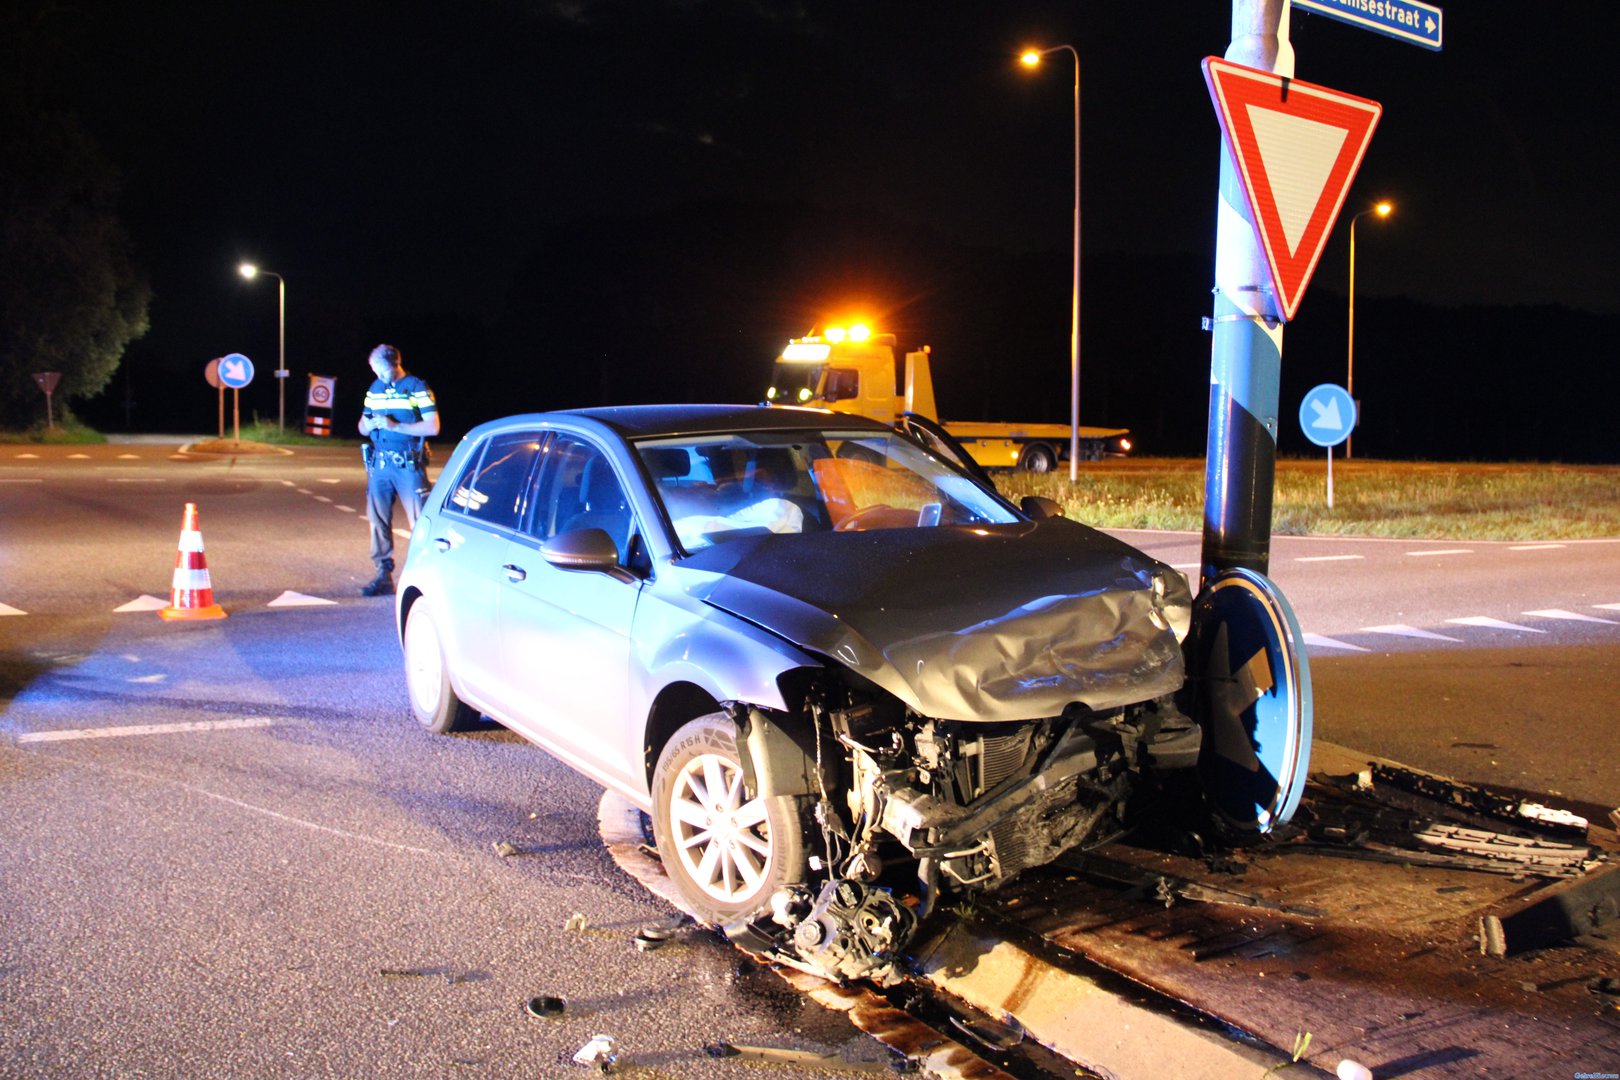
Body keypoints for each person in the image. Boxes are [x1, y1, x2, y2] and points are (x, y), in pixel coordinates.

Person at [357, 344, 440, 596]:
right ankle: (383, 574)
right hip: (380, 464)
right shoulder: (375, 388)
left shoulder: (416, 387)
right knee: (377, 520)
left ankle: (425, 576)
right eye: (375, 370)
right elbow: (361, 427)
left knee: (420, 521)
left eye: (382, 370)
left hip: (408, 463)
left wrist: (395, 427)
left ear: (395, 364)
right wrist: (369, 424)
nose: (379, 375)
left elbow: (433, 427)